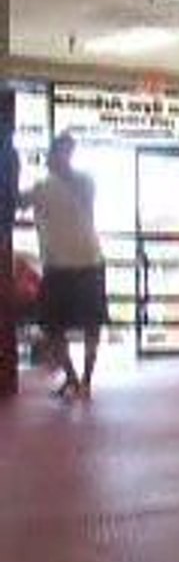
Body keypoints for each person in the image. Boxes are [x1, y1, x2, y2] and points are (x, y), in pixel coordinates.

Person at [19, 133, 108, 399]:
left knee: (56, 325)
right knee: (84, 324)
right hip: (86, 261)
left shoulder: (48, 188)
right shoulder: (78, 183)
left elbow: (17, 201)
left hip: (66, 264)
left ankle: (77, 380)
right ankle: (81, 381)